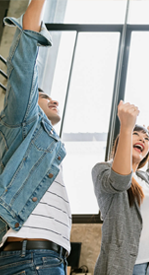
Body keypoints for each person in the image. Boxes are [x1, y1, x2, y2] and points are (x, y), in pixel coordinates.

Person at [0, 0, 71, 274]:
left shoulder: (48, 146)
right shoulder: (22, 119)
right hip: (32, 258)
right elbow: (24, 65)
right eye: (42, 96)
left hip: (43, 258)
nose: (52, 99)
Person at [92, 101, 149, 275]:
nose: (142, 139)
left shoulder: (143, 178)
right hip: (127, 266)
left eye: (145, 138)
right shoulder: (102, 170)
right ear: (122, 140)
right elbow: (121, 181)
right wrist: (126, 126)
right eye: (136, 134)